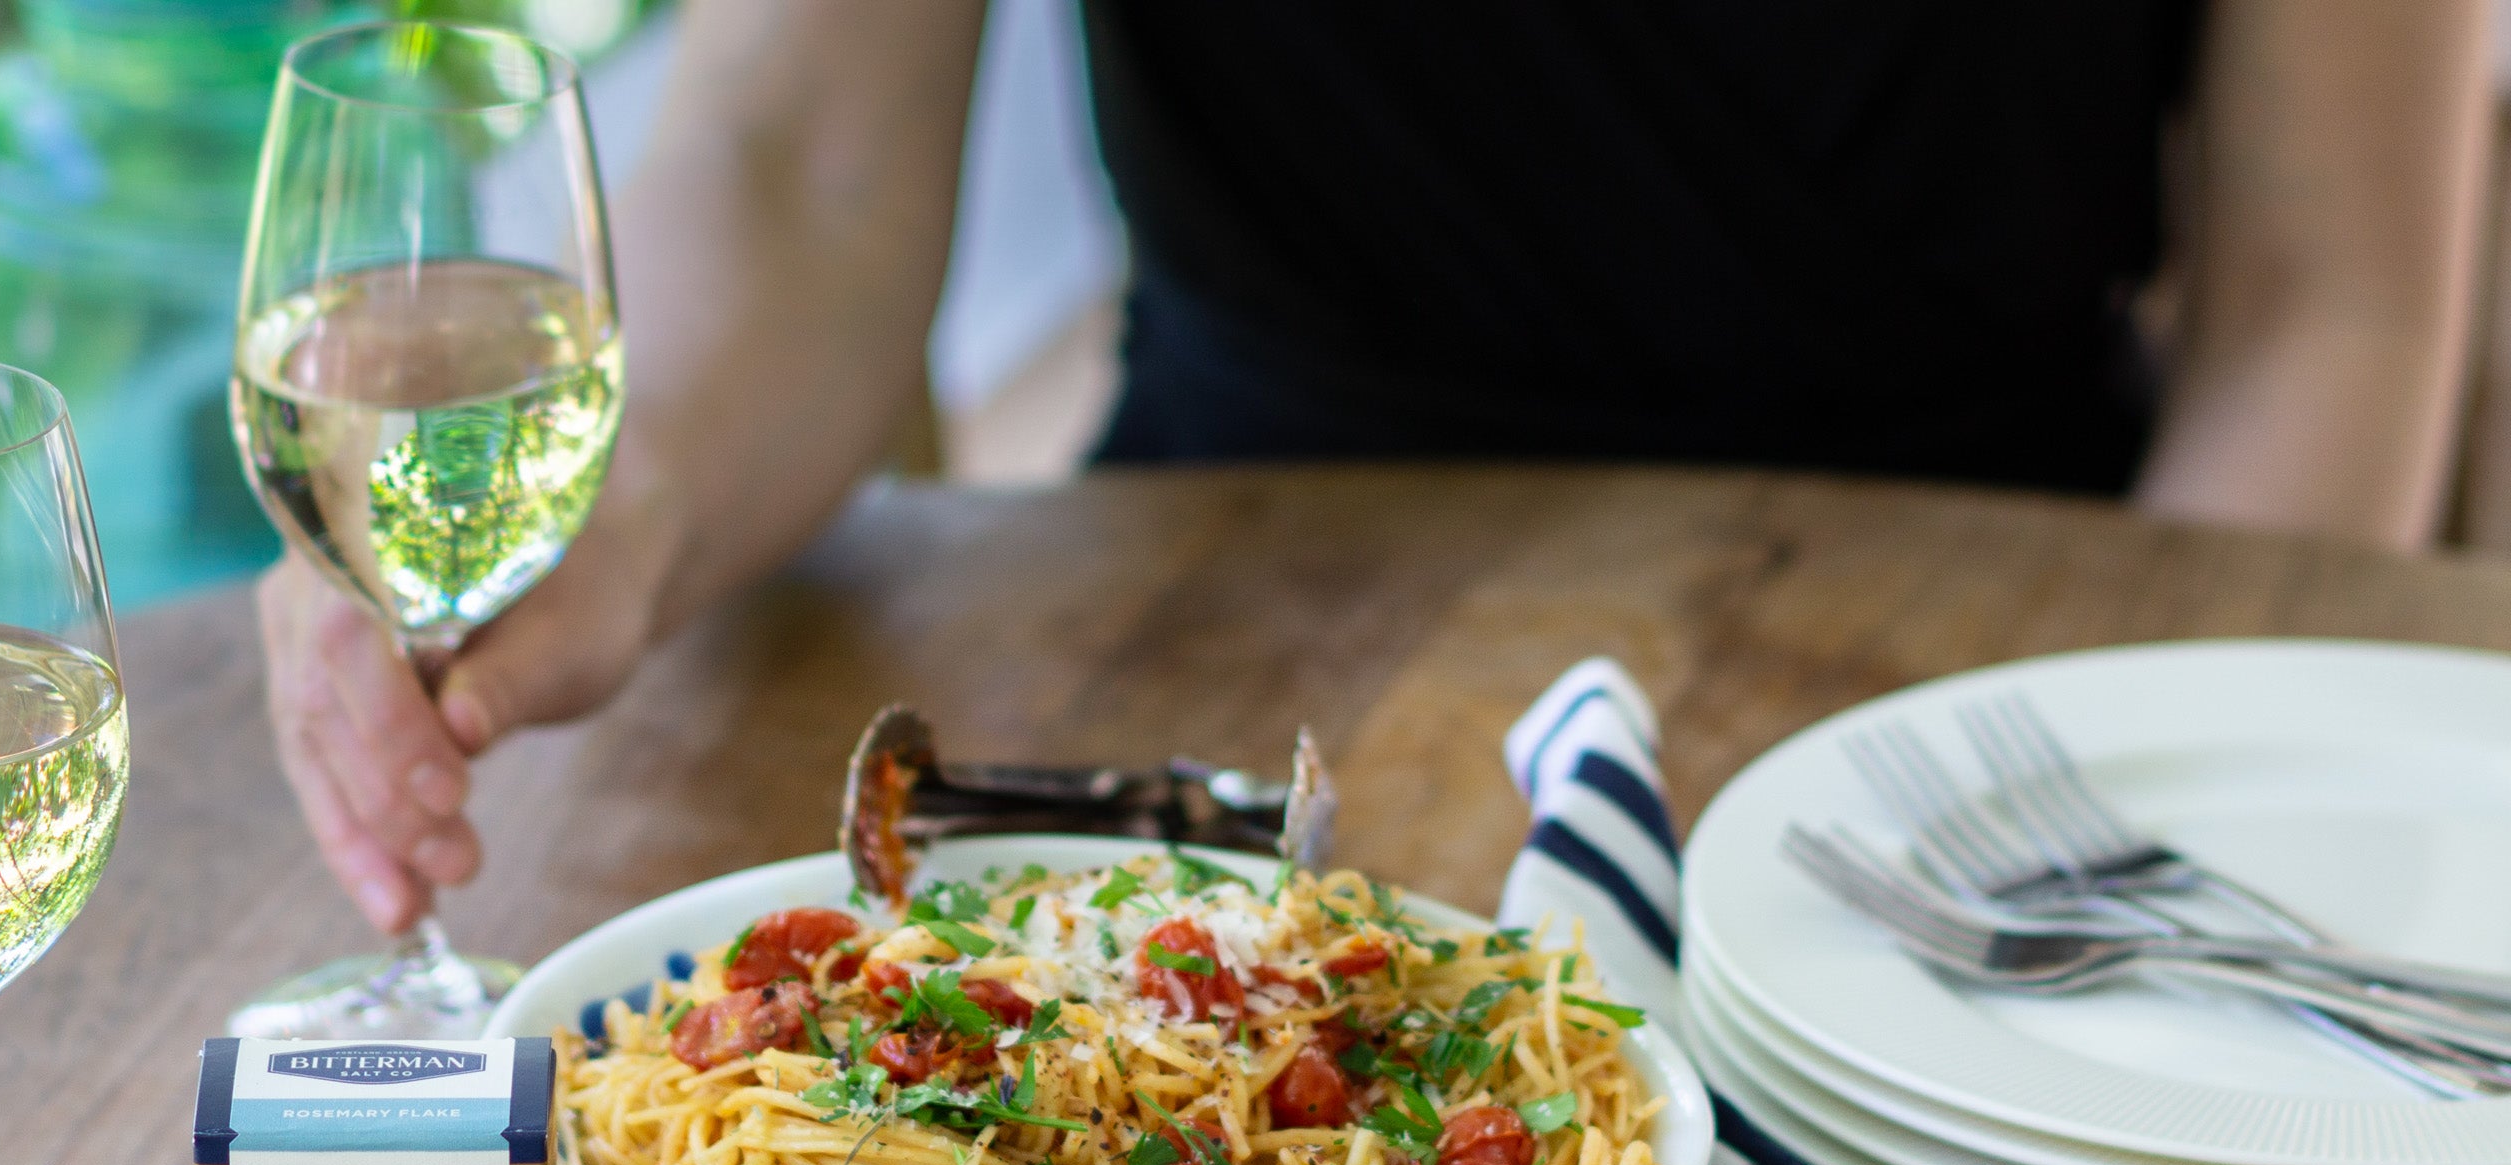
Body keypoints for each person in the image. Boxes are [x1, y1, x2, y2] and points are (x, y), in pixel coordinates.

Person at [261, 0, 2491, 934]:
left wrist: (2127, 823)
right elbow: (803, 168)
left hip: (2000, 734)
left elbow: (2339, 304)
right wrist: (595, 513)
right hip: (1199, 703)